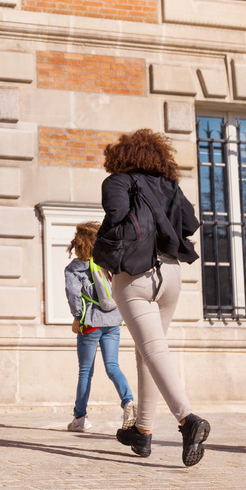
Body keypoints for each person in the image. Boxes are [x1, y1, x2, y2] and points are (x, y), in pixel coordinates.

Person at [98, 129, 210, 466]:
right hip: (172, 273)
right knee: (147, 350)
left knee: (153, 349)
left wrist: (105, 254)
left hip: (134, 275)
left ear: (122, 157)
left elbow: (115, 215)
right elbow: (190, 223)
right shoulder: (169, 185)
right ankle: (142, 432)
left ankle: (188, 419)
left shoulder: (118, 181)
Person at [64, 221, 136, 432]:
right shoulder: (107, 264)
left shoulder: (74, 269)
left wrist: (77, 318)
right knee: (113, 366)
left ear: (77, 245)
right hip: (113, 322)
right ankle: (128, 401)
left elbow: (74, 295)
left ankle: (79, 419)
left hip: (91, 324)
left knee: (85, 371)